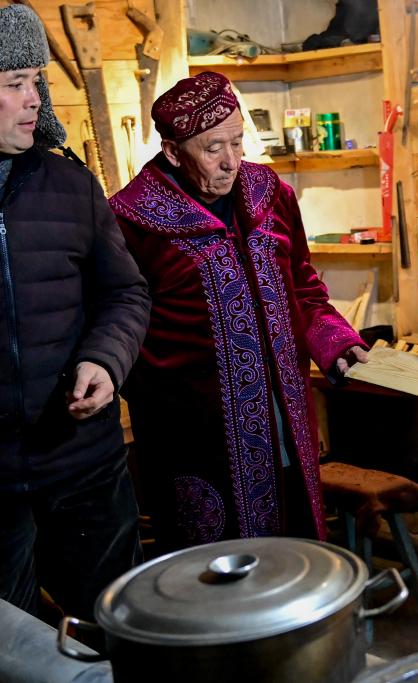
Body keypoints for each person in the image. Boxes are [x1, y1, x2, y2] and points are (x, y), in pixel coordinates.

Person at [110, 72, 368, 551]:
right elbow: (118, 322)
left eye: (237, 142)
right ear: (173, 152)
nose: (232, 161)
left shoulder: (270, 194)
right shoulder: (132, 220)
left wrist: (335, 340)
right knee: (214, 566)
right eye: (213, 149)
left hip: (285, 416)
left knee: (298, 553)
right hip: (196, 433)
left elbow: (303, 286)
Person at [0, 5, 150, 619]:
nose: (34, 98)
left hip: (83, 460)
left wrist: (105, 361)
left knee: (116, 625)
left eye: (37, 80)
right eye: (15, 83)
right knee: (13, 646)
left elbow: (125, 293)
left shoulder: (72, 186)